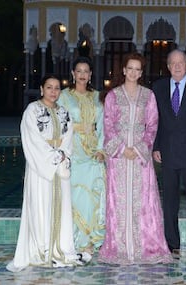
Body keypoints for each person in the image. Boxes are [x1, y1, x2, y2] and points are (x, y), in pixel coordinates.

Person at [6, 75, 90, 272]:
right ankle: (41, 250)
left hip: (60, 167)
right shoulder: (32, 111)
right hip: (40, 168)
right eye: (49, 87)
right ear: (42, 89)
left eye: (57, 88)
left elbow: (68, 137)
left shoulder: (63, 112)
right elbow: (32, 139)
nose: (53, 91)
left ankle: (59, 247)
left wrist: (62, 155)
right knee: (40, 206)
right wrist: (52, 157)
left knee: (60, 208)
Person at [98, 53, 172, 264]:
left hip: (140, 157)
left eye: (137, 69)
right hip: (119, 158)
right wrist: (122, 150)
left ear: (141, 72)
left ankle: (145, 247)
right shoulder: (113, 95)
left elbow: (153, 125)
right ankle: (120, 247)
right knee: (119, 201)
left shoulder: (148, 96)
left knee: (143, 202)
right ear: (123, 70)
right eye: (129, 68)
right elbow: (108, 126)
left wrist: (139, 148)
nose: (133, 72)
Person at [152, 50, 186, 257]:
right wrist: (156, 146)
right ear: (168, 66)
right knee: (170, 201)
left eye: (180, 62)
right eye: (172, 63)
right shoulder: (158, 87)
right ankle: (171, 242)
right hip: (167, 152)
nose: (176, 66)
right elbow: (154, 119)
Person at [58, 56, 106, 254]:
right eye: (79, 71)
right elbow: (58, 123)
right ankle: (77, 239)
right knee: (77, 197)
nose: (82, 75)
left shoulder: (97, 97)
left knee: (95, 195)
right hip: (74, 153)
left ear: (91, 74)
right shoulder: (63, 96)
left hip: (94, 154)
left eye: (86, 71)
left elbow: (103, 125)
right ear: (73, 74)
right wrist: (79, 127)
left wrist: (102, 150)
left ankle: (92, 239)